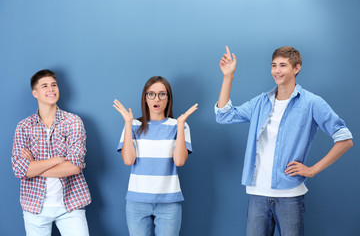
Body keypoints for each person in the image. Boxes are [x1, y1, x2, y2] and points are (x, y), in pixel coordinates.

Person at [214, 46, 353, 236]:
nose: (276, 71)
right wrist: (228, 76)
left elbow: (344, 138)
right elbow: (224, 116)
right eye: (273, 65)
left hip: (290, 195)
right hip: (257, 193)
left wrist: (312, 170)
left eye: (282, 65)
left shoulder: (311, 103)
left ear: (296, 68)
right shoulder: (261, 102)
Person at [114, 76, 197, 236]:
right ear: (145, 98)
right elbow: (128, 160)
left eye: (162, 94)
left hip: (169, 202)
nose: (156, 99)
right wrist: (127, 123)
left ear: (168, 98)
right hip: (136, 201)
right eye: (151, 94)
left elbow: (179, 161)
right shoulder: (133, 126)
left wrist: (180, 126)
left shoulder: (180, 125)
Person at [11, 69, 91, 236]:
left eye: (54, 85)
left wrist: (33, 167)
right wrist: (57, 160)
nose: (51, 89)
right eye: (45, 86)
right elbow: (19, 169)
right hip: (34, 206)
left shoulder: (73, 122)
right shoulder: (24, 126)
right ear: (35, 93)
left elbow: (75, 166)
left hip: (71, 204)